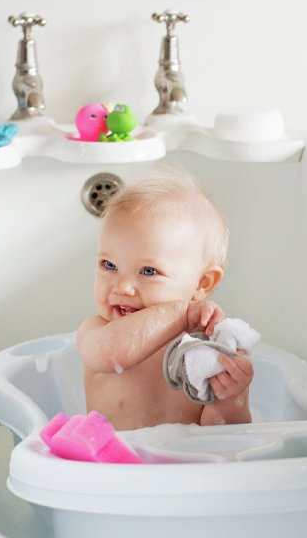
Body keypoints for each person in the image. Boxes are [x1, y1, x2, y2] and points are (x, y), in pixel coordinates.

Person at [77, 171, 253, 430]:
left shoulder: (206, 348)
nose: (123, 287)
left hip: (182, 468)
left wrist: (230, 398)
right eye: (109, 264)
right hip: (113, 466)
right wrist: (181, 313)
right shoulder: (97, 331)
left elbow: (225, 438)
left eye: (149, 271)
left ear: (202, 283)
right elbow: (114, 352)